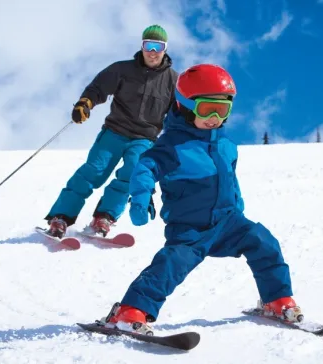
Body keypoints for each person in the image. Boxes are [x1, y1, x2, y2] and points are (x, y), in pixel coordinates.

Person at [97, 64, 302, 335]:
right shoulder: (171, 145)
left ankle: (276, 301)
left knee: (264, 242)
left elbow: (230, 178)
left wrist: (237, 206)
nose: (215, 117)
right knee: (171, 265)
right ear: (184, 105)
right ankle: (130, 311)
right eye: (207, 109)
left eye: (223, 109)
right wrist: (141, 196)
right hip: (190, 227)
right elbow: (146, 168)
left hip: (229, 222)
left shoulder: (227, 145)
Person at [44, 25, 179, 238]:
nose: (152, 51)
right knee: (92, 172)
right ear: (142, 46)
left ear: (165, 49)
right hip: (115, 131)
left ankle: (104, 218)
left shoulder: (173, 81)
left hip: (144, 139)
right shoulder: (122, 69)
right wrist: (85, 103)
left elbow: (177, 114)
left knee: (132, 175)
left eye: (158, 46)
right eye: (148, 45)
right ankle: (60, 217)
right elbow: (98, 88)